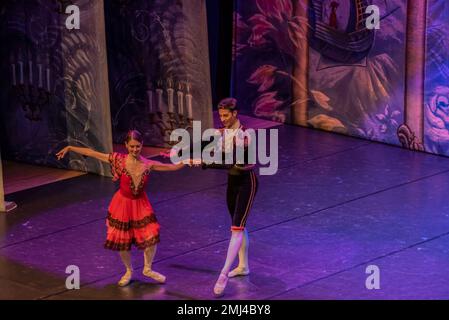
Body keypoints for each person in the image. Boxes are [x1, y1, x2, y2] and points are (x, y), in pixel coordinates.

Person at [56, 130, 189, 287]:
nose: (134, 149)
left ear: (142, 145)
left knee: (151, 236)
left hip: (140, 204)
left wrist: (187, 160)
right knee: (122, 240)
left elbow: (171, 168)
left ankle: (147, 268)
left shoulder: (148, 164)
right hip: (122, 204)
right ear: (126, 145)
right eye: (131, 146)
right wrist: (71, 148)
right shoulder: (118, 160)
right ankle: (128, 270)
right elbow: (92, 153)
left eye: (138, 146)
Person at [200, 98, 258, 297]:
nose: (222, 119)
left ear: (235, 113)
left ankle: (223, 273)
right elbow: (203, 144)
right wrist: (180, 152)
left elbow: (232, 164)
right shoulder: (222, 133)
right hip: (232, 185)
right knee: (238, 226)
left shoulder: (244, 136)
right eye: (221, 115)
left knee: (237, 228)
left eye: (226, 115)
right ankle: (243, 266)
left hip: (245, 184)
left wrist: (203, 163)